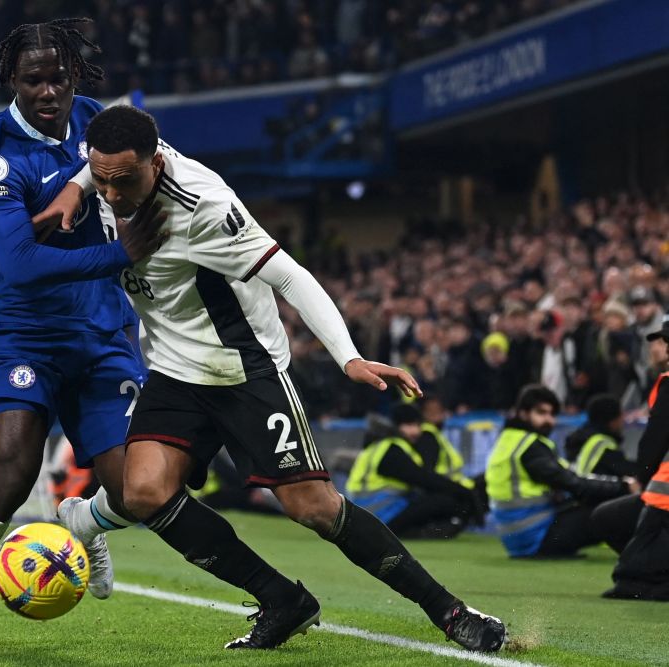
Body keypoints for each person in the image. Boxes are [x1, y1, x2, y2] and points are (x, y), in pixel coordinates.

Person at [54, 105, 507, 652]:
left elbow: (290, 276)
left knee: (312, 508)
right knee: (144, 491)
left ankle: (450, 611)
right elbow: (98, 163)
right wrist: (77, 187)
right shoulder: (106, 175)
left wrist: (348, 357)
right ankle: (280, 599)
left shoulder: (205, 208)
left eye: (123, 181)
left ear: (155, 164)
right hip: (175, 371)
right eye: (100, 179)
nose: (111, 193)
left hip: (245, 367)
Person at [0, 19, 170, 652]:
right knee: (11, 471)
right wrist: (116, 256)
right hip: (27, 336)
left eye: (58, 77)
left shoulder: (100, 125)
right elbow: (22, 262)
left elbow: (155, 168)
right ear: (12, 82)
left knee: (138, 490)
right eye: (34, 80)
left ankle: (81, 525)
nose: (49, 91)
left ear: (75, 77)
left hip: (105, 336)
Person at [484, 384, 639, 559]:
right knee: (607, 512)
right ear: (523, 413)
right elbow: (574, 484)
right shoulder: (530, 447)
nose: (549, 420)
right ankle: (639, 560)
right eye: (541, 413)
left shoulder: (509, 440)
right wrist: (623, 487)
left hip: (517, 536)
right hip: (537, 534)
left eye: (551, 414)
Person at [602, 314, 669, 600]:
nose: (654, 347)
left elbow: (655, 440)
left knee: (628, 577)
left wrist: (642, 475)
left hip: (662, 495)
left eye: (661, 340)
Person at [347, 403, 480, 538]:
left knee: (438, 498)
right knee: (444, 501)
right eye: (409, 425)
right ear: (396, 425)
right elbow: (423, 479)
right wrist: (465, 492)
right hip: (378, 513)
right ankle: (418, 532)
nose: (416, 431)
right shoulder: (391, 450)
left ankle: (421, 531)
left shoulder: (385, 445)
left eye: (417, 425)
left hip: (370, 511)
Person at [564, 394, 639, 477]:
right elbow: (629, 471)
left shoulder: (579, 438)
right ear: (612, 421)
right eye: (621, 416)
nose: (623, 421)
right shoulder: (602, 444)